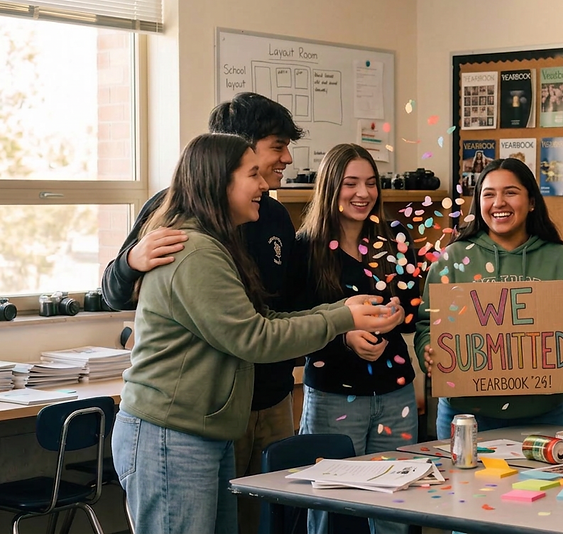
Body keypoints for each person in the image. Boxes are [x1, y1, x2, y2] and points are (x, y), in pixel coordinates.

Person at [111, 133, 405, 534]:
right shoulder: (194, 252)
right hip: (172, 436)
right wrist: (341, 319)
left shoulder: (219, 243)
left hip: (200, 432)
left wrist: (342, 311)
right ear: (220, 181)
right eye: (253, 174)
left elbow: (265, 316)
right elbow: (255, 338)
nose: (265, 184)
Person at [100, 92, 305, 534]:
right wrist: (130, 261)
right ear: (236, 154)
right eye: (276, 146)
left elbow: (284, 304)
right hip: (198, 411)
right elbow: (114, 292)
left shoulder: (272, 214)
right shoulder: (177, 218)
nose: (287, 157)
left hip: (266, 397)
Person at [288, 143, 420, 534]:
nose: (363, 193)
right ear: (330, 187)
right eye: (350, 183)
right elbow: (291, 326)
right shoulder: (306, 248)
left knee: (395, 506)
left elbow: (414, 311)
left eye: (371, 183)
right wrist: (344, 338)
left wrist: (399, 313)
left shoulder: (395, 238)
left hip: (395, 393)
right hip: (333, 396)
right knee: (332, 507)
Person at [414, 157, 563, 439]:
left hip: (543, 414)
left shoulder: (562, 260)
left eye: (510, 192)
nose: (499, 202)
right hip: (465, 416)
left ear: (532, 201)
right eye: (489, 194)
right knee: (460, 485)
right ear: (478, 204)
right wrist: (428, 348)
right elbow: (427, 324)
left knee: (540, 485)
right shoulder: (453, 259)